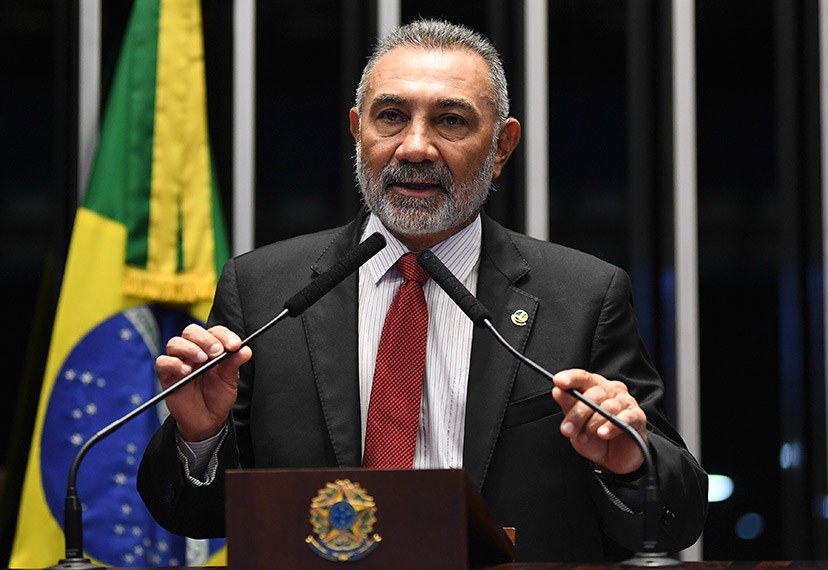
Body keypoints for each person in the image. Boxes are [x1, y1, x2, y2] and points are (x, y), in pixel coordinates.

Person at [137, 19, 708, 562]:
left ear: (502, 147)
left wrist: (630, 464)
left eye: (451, 121)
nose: (415, 146)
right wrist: (200, 437)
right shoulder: (265, 292)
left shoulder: (584, 297)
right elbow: (194, 516)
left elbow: (674, 521)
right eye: (390, 117)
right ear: (357, 130)